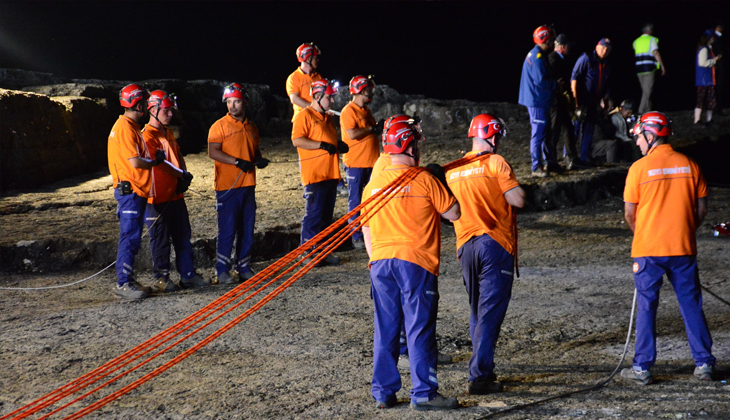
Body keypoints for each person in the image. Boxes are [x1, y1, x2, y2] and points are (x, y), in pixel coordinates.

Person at [362, 121, 461, 411]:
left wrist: (375, 258)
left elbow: (365, 227)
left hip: (381, 263)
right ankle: (424, 394)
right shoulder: (423, 180)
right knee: (418, 329)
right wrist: (439, 181)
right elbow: (454, 213)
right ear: (410, 146)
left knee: (386, 329)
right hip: (415, 263)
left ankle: (383, 392)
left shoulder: (374, 184)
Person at [621, 111, 716, 385]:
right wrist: (683, 232)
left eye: (639, 136)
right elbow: (701, 208)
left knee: (647, 307)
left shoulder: (638, 169)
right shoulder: (689, 165)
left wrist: (647, 235)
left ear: (650, 135)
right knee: (691, 304)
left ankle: (642, 368)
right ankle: (704, 364)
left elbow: (630, 213)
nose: (638, 142)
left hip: (648, 250)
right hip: (683, 248)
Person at [445, 114, 525, 395]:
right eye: (498, 136)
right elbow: (517, 199)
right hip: (494, 243)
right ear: (491, 135)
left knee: (477, 310)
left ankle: (482, 369)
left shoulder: (454, 169)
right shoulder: (496, 163)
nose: (499, 141)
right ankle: (479, 376)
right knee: (490, 312)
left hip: (464, 246)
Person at [142, 90, 209, 292]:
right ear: (153, 109)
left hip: (175, 195)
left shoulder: (167, 133)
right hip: (157, 198)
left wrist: (184, 174)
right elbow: (160, 165)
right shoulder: (147, 136)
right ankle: (161, 277)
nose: (170, 114)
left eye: (171, 110)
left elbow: (177, 155)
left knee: (182, 237)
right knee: (160, 239)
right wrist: (181, 176)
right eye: (166, 110)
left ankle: (188, 275)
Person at [107, 84, 165, 300]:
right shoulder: (125, 128)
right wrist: (154, 162)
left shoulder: (129, 126)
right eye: (145, 104)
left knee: (132, 238)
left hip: (135, 191)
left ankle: (128, 280)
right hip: (130, 192)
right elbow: (135, 162)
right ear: (139, 104)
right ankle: (123, 284)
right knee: (129, 238)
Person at [208, 83, 269, 284]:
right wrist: (236, 161)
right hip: (227, 187)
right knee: (227, 229)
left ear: (245, 102)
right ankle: (222, 270)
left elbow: (254, 151)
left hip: (248, 185)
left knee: (247, 228)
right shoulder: (219, 126)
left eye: (236, 101)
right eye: (229, 102)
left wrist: (259, 160)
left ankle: (243, 266)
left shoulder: (252, 127)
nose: (232, 106)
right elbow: (213, 151)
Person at [291, 79, 348, 265]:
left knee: (325, 216)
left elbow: (327, 139)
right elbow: (297, 140)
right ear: (317, 96)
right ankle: (307, 253)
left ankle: (322, 252)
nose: (332, 101)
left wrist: (337, 145)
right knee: (314, 215)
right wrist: (321, 145)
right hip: (315, 175)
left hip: (330, 174)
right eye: (329, 98)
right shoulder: (304, 116)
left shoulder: (327, 118)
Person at [340, 75, 384, 250]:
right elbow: (352, 134)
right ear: (361, 90)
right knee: (356, 201)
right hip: (356, 163)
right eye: (368, 90)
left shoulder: (365, 110)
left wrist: (377, 128)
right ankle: (356, 236)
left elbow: (370, 132)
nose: (370, 93)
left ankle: (371, 231)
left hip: (371, 162)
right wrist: (371, 129)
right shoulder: (348, 111)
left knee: (371, 199)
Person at [519, 25, 557, 178]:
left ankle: (548, 162)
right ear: (546, 39)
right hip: (537, 101)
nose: (553, 42)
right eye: (552, 39)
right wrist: (556, 85)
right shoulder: (537, 57)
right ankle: (536, 167)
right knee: (539, 133)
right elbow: (541, 81)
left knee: (545, 132)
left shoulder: (538, 54)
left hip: (540, 100)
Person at [571, 38, 612, 167]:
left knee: (588, 130)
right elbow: (574, 78)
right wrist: (575, 100)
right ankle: (570, 157)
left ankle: (584, 157)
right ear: (597, 47)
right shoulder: (586, 58)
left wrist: (605, 100)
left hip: (593, 102)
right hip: (582, 101)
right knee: (575, 129)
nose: (604, 51)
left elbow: (606, 85)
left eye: (608, 49)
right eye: (603, 48)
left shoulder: (606, 64)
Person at [548, 33, 578, 170]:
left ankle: (571, 158)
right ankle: (551, 160)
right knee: (555, 131)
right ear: (562, 47)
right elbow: (548, 79)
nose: (570, 49)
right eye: (568, 46)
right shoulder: (553, 59)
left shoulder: (560, 58)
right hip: (555, 101)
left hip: (562, 100)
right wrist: (556, 85)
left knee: (568, 129)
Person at [633, 23, 667, 114]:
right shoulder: (652, 40)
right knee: (647, 92)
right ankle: (640, 112)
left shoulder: (636, 41)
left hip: (639, 69)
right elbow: (655, 53)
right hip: (649, 69)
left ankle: (648, 112)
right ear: (650, 31)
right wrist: (662, 65)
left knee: (646, 91)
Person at [286, 42, 323, 122]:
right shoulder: (293, 78)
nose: (317, 60)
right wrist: (313, 108)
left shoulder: (318, 76)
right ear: (308, 59)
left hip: (316, 119)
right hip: (301, 120)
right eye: (315, 58)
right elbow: (294, 99)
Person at [694, 30, 723, 126]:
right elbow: (702, 63)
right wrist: (714, 61)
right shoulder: (704, 49)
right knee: (701, 100)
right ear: (710, 39)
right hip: (703, 80)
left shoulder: (708, 49)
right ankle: (697, 120)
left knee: (710, 100)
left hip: (708, 80)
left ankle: (709, 120)